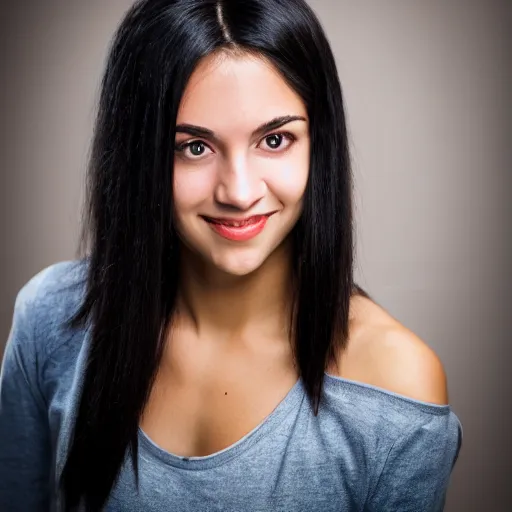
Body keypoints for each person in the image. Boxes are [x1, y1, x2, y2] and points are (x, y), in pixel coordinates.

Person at [0, 0, 463, 510]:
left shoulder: (397, 387)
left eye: (275, 139)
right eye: (194, 147)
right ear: (138, 153)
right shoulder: (50, 319)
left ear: (319, 143)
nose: (239, 192)